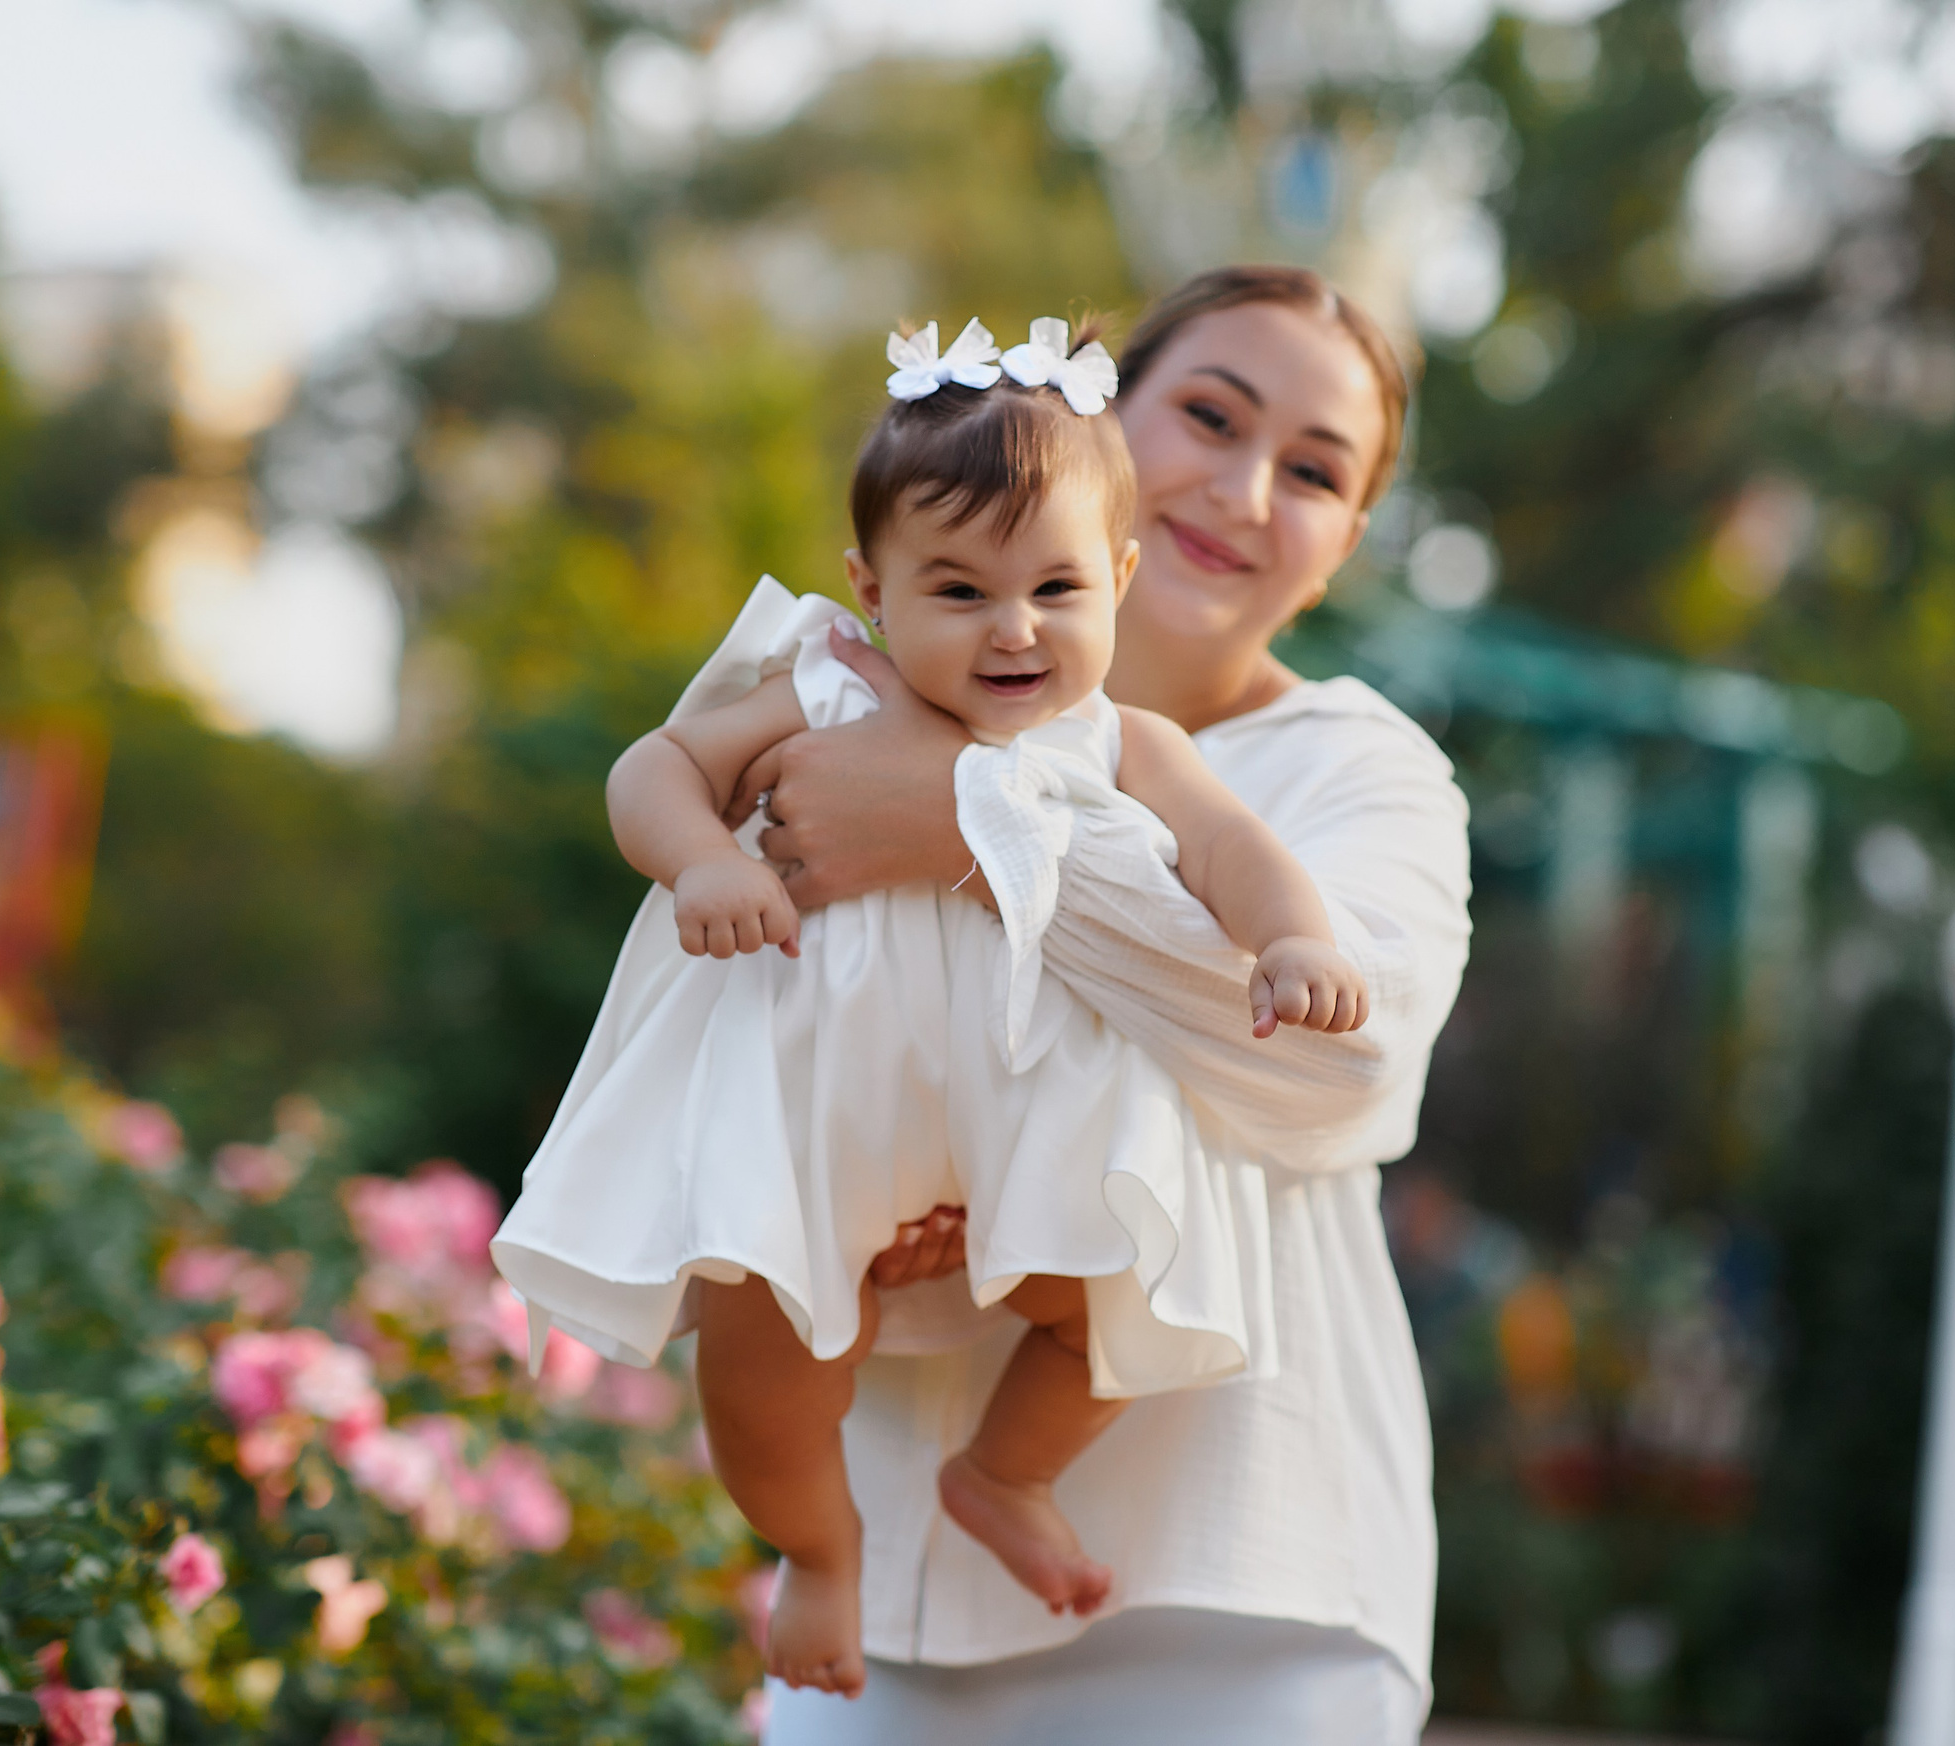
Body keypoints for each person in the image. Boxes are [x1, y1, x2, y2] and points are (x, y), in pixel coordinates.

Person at [491, 313, 1370, 1697]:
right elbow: (650, 769)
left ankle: (1004, 1473)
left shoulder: (1122, 741)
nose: (1013, 629)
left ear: (1118, 578)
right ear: (870, 585)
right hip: (813, 1131)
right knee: (759, 1364)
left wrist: (1290, 942)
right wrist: (709, 855)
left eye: (1057, 589)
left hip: (1026, 1146)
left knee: (1126, 1304)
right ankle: (819, 1550)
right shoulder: (821, 685)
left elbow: (1236, 852)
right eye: (957, 590)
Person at [753, 266, 1474, 1746]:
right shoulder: (840, 714)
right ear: (1091, 428)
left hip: (1246, 1595)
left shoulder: (1361, 766)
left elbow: (1346, 1069)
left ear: (1339, 548)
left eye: (1318, 473)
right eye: (1210, 413)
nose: (1247, 483)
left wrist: (964, 825)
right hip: (885, 1598)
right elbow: (746, 1065)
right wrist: (862, 1228)